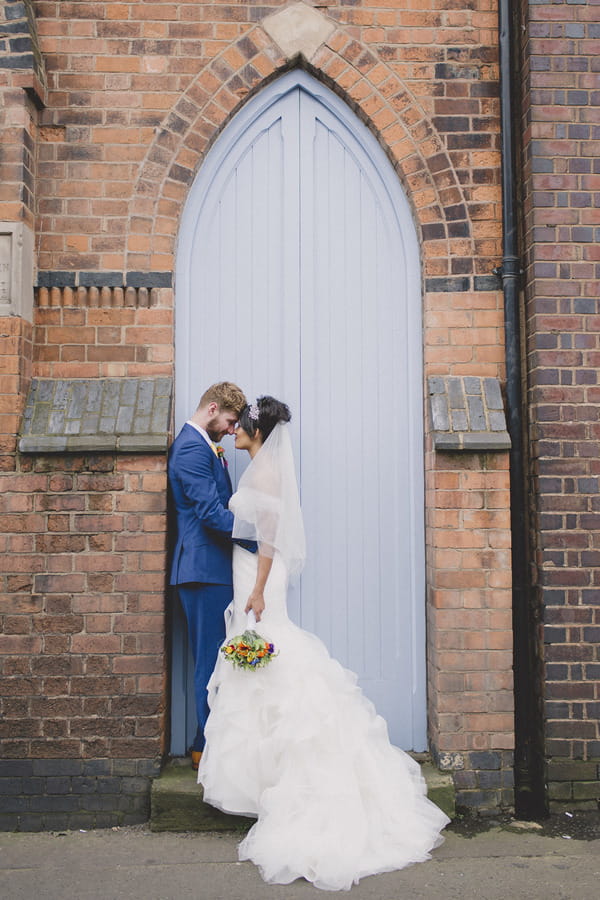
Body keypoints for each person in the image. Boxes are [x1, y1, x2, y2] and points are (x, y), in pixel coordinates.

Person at [198, 396, 450, 892]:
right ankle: (264, 783)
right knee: (260, 665)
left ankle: (288, 783)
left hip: (258, 577)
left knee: (272, 656)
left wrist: (256, 589)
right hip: (248, 573)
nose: (236, 431)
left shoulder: (265, 475)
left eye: (242, 426)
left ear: (256, 432)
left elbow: (268, 539)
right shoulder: (256, 468)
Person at [168, 381, 252, 770]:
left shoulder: (204, 445)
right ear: (213, 408)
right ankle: (208, 750)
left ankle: (206, 741)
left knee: (216, 658)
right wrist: (260, 538)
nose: (233, 430)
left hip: (213, 569)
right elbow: (210, 514)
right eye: (231, 421)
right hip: (202, 571)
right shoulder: (189, 448)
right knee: (209, 661)